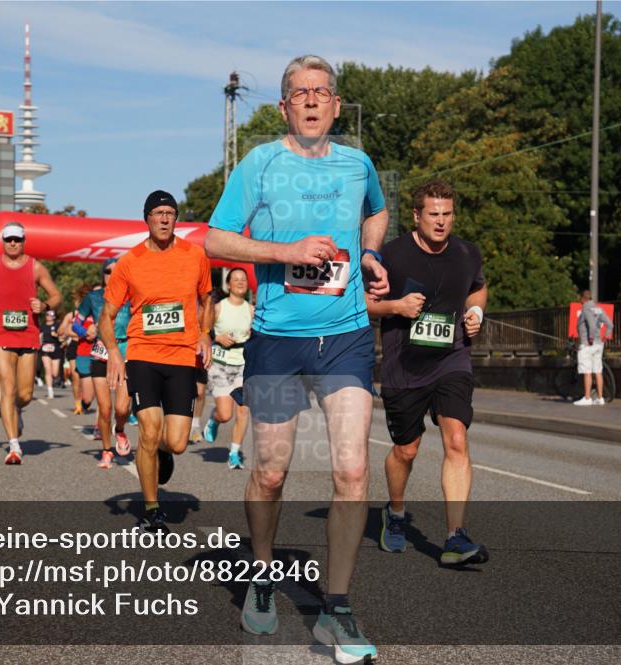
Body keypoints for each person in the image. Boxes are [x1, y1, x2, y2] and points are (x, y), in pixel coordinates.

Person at [205, 54, 388, 662]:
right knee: (272, 470)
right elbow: (215, 238)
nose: (311, 100)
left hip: (345, 336)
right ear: (284, 106)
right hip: (278, 341)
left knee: (353, 472)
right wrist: (285, 252)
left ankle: (336, 608)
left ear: (336, 104)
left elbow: (379, 209)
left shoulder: (358, 162)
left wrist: (368, 252)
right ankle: (261, 573)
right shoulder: (261, 162)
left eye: (322, 92)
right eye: (299, 93)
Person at [366, 179, 489, 570]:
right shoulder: (392, 255)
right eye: (433, 214)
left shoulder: (467, 254)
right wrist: (396, 307)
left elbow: (478, 289)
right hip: (404, 366)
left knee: (456, 437)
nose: (441, 222)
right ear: (417, 216)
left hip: (452, 360)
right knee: (407, 449)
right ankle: (396, 512)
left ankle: (455, 536)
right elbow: (365, 305)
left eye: (447, 214)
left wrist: (476, 314)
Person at [101, 190, 213, 532]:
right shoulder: (130, 261)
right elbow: (107, 316)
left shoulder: (195, 256)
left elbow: (207, 298)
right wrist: (115, 355)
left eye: (170, 213)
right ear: (147, 218)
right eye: (158, 213)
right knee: (149, 430)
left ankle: (161, 452)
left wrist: (205, 333)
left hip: (181, 358)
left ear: (176, 218)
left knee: (176, 442)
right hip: (143, 357)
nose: (164, 219)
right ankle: (151, 510)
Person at [0, 222, 61, 464]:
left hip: (28, 333)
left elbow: (56, 295)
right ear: (3, 241)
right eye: (9, 239)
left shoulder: (35, 268)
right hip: (0, 333)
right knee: (7, 388)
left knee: (25, 393)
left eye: (17, 240)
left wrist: (45, 306)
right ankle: (13, 445)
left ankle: (18, 410)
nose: (12, 243)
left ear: (23, 241)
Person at [76, 262, 134, 468]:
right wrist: (85, 331)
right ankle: (107, 451)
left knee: (121, 408)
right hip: (100, 353)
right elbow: (76, 322)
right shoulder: (93, 297)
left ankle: (119, 429)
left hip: (124, 353)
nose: (112, 275)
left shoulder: (132, 294)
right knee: (105, 408)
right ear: (103, 275)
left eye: (117, 271)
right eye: (108, 271)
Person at [202, 268, 254, 471]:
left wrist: (253, 335)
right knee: (226, 414)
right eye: (236, 279)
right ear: (228, 284)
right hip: (220, 365)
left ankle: (234, 453)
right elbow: (203, 331)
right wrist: (216, 337)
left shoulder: (251, 310)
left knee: (243, 410)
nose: (240, 282)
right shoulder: (218, 308)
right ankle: (214, 420)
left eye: (244, 279)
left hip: (242, 365)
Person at [60, 285, 94, 416]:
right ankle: (79, 404)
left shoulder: (100, 311)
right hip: (80, 350)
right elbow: (67, 330)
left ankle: (87, 402)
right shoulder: (78, 314)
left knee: (95, 387)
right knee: (75, 378)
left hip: (98, 352)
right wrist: (86, 333)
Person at [575, 289, 614, 406]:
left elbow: (591, 325)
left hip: (588, 344)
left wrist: (590, 338)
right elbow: (610, 324)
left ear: (582, 298)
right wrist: (605, 336)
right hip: (599, 344)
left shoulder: (586, 308)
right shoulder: (598, 308)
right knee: (598, 370)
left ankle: (587, 398)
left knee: (587, 371)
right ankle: (600, 398)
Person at [39, 310, 61, 399]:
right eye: (47, 315)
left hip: (56, 348)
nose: (48, 316)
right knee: (48, 370)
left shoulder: (58, 325)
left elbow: (63, 335)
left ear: (54, 317)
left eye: (50, 315)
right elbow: (39, 336)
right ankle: (50, 391)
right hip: (45, 349)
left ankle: (55, 380)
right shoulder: (43, 326)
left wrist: (56, 335)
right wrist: (39, 345)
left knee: (55, 373)